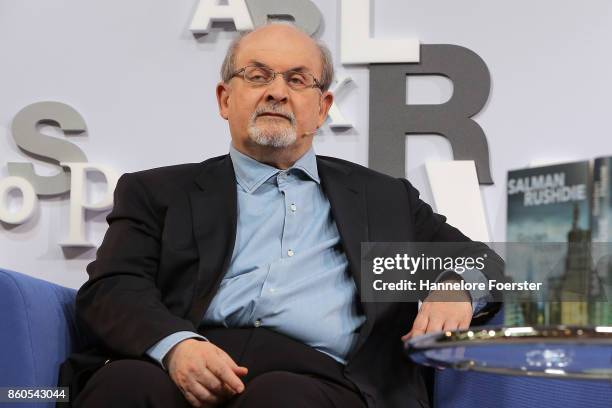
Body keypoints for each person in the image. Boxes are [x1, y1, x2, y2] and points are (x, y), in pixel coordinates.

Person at [60, 22, 504, 408]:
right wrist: (176, 346)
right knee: (124, 383)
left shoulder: (383, 199)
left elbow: (492, 265)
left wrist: (458, 287)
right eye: (258, 76)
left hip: (321, 379)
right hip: (186, 358)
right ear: (224, 99)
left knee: (280, 399)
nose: (277, 92)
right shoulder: (157, 191)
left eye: (297, 79)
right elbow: (112, 288)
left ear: (323, 108)